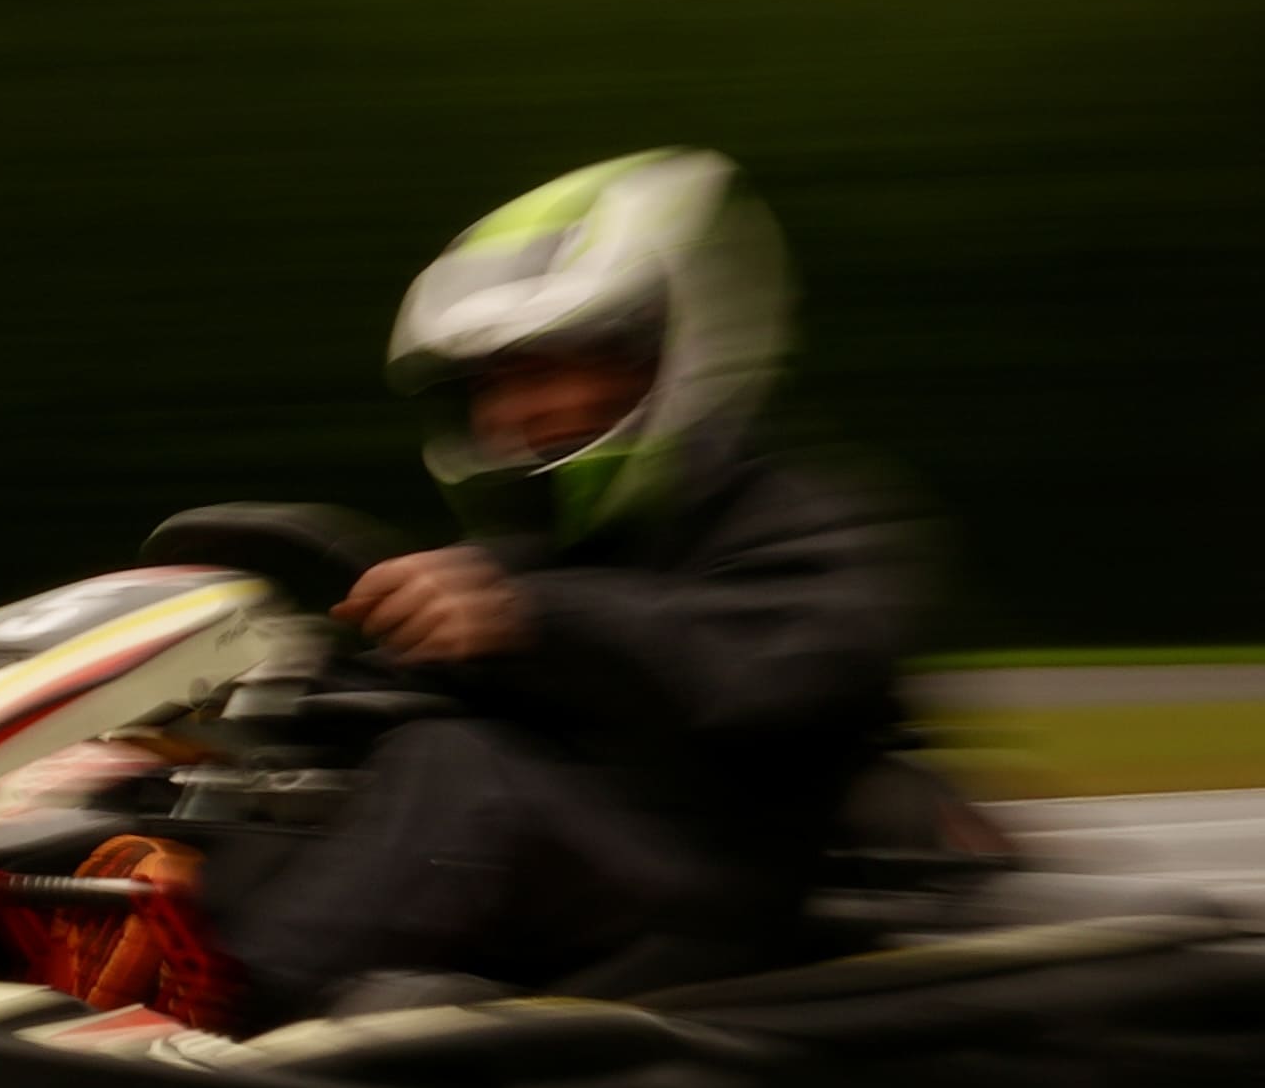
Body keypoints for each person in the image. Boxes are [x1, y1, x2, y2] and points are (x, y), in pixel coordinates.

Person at [211, 148, 929, 1020]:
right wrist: (247, 716)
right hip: (570, 909)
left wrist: (525, 618)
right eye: (490, 385)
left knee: (462, 768)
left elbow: (762, 674)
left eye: (545, 370)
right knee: (231, 800)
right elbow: (400, 701)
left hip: (721, 913)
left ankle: (218, 1020)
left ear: (664, 353)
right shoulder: (542, 554)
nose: (509, 414)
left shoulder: (814, 520)